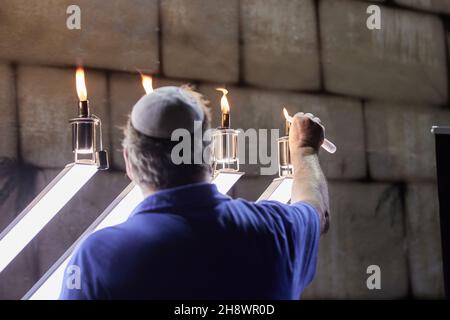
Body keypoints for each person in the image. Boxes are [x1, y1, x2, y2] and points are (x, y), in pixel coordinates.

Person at [59, 86, 330, 300]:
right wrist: (305, 150)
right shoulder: (277, 229)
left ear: (129, 160)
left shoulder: (99, 256)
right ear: (210, 153)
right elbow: (317, 210)